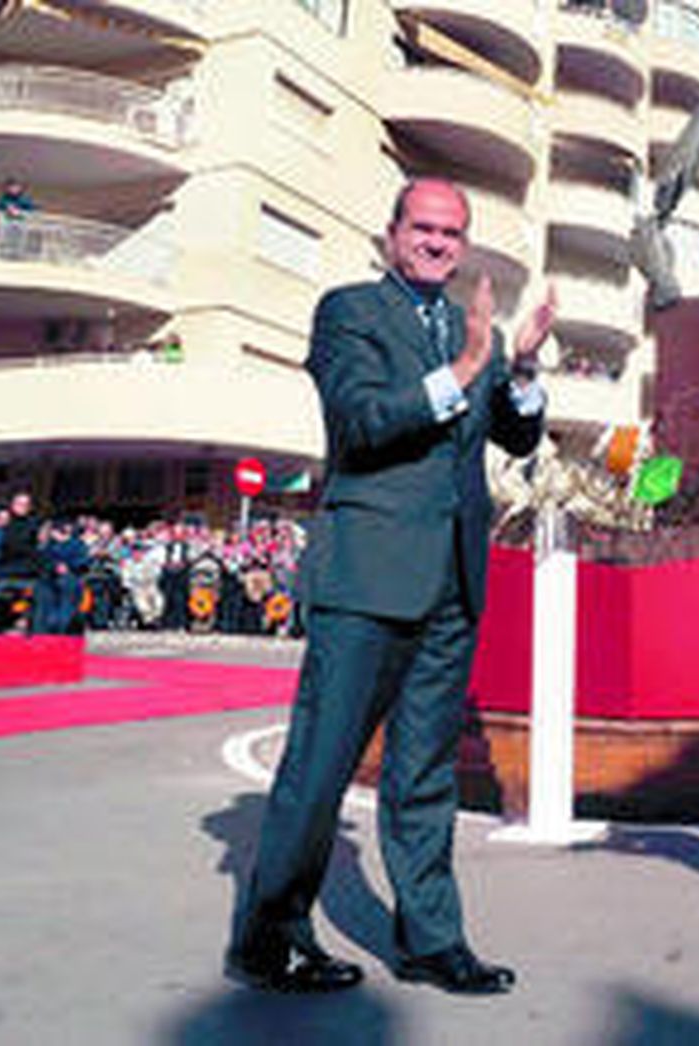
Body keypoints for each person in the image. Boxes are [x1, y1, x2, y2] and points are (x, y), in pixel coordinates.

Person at [226, 178, 555, 996]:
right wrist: (468, 365)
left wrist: (518, 365)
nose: (439, 243)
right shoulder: (349, 312)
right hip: (367, 577)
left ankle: (432, 941)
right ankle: (271, 937)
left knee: (426, 772)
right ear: (393, 233)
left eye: (452, 233)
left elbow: (514, 434)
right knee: (321, 761)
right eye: (425, 229)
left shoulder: (470, 325)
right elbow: (362, 422)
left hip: (452, 578)